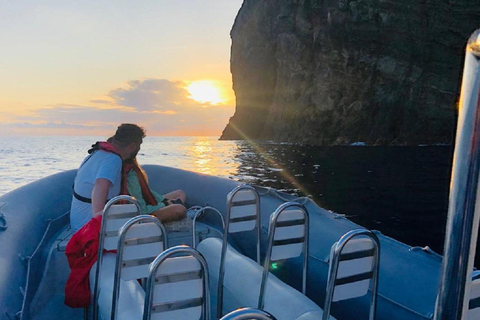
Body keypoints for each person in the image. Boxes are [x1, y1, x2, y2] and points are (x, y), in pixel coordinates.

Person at [70, 123, 145, 231]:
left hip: (78, 224)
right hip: (88, 228)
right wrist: (99, 217)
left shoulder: (98, 153)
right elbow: (101, 183)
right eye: (139, 145)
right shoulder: (113, 159)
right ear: (133, 146)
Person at [124, 158, 187, 222]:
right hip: (145, 214)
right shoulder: (131, 177)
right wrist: (165, 204)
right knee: (180, 209)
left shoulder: (134, 170)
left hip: (150, 204)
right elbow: (142, 209)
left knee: (180, 193)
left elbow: (149, 194)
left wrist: (163, 201)